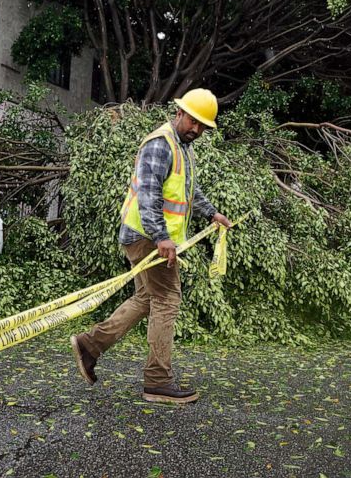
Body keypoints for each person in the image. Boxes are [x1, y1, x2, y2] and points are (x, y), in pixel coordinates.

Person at [70, 88, 231, 404]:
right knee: (168, 298)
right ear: (179, 113)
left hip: (146, 236)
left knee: (146, 298)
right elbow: (149, 195)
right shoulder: (161, 144)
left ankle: (90, 345)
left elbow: (188, 191)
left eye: (203, 126)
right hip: (147, 236)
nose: (197, 129)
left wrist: (212, 213)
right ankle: (158, 380)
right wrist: (161, 237)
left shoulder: (182, 147)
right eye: (193, 122)